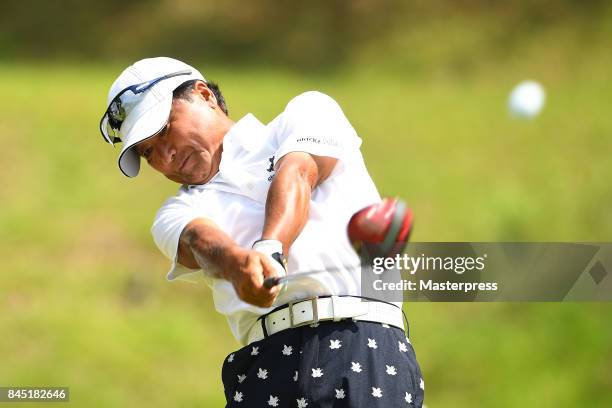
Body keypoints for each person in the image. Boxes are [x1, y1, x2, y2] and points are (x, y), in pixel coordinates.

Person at [99, 57, 425, 407]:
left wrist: (270, 252)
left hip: (362, 345)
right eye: (148, 153)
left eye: (164, 129)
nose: (165, 155)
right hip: (265, 366)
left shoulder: (306, 112)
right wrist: (240, 266)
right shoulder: (175, 212)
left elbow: (299, 171)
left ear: (204, 94)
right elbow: (200, 241)